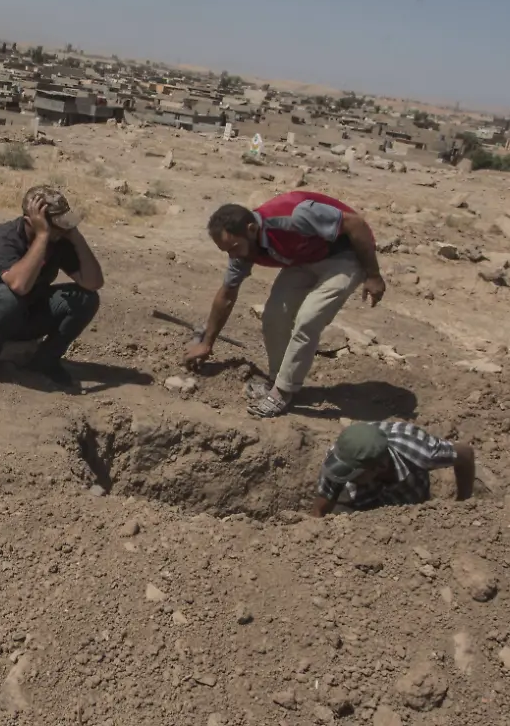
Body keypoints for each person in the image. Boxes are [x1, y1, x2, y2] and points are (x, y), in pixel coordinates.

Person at [185, 191, 386, 418]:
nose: (232, 255)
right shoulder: (241, 249)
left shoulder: (295, 216)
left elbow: (356, 224)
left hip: (344, 255)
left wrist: (373, 275)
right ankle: (277, 379)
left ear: (251, 230)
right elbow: (227, 294)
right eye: (226, 251)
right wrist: (207, 343)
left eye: (233, 247)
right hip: (304, 258)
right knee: (274, 316)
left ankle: (283, 391)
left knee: (309, 319)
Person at [0, 186, 104, 390]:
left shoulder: (58, 240)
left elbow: (93, 282)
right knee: (9, 296)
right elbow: (19, 286)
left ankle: (45, 361)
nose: (63, 230)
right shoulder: (5, 238)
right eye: (58, 226)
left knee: (86, 298)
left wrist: (76, 237)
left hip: (21, 311)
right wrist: (42, 236)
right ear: (31, 222)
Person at [312, 421, 476, 517]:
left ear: (380, 466)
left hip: (411, 502)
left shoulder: (421, 452)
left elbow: (466, 454)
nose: (346, 478)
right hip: (360, 504)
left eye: (354, 474)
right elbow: (320, 510)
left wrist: (463, 503)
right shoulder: (340, 457)